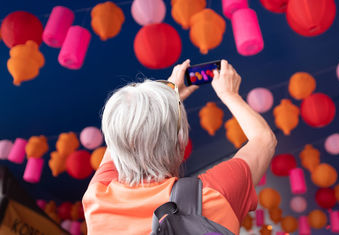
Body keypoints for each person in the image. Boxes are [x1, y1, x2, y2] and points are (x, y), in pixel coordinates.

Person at [82, 59, 277, 235]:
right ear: (182, 142)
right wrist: (229, 94)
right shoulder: (214, 194)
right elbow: (264, 140)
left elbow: (121, 139)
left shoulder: (98, 196)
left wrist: (169, 93)